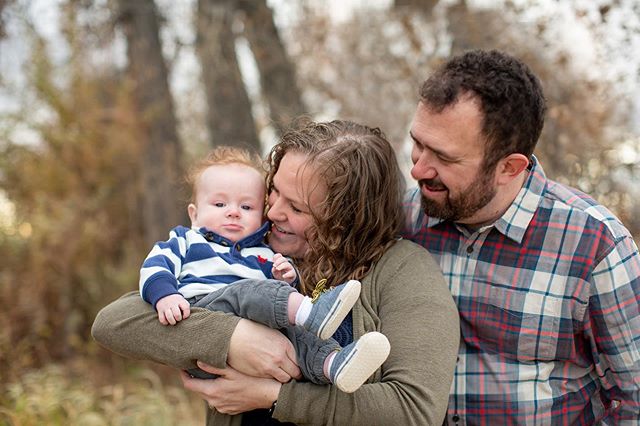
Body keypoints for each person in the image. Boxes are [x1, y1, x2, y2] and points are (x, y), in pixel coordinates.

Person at [92, 120, 460, 425]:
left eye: (296, 208)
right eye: (273, 193)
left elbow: (413, 411)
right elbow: (116, 321)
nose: (271, 214)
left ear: (347, 219)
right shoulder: (253, 250)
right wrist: (233, 337)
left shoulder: (403, 270)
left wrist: (273, 395)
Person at [404, 49, 640, 425]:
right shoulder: (403, 222)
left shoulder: (596, 245)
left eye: (444, 158)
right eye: (417, 142)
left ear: (509, 167)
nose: (417, 169)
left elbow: (632, 397)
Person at [140, 145, 390, 393]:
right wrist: (165, 296)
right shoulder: (186, 240)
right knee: (248, 291)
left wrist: (286, 276)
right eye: (219, 204)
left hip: (260, 345)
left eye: (246, 207)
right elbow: (155, 268)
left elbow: (275, 297)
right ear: (194, 214)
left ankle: (333, 364)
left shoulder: (263, 251)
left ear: (261, 216)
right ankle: (312, 311)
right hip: (204, 321)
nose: (233, 213)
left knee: (296, 335)